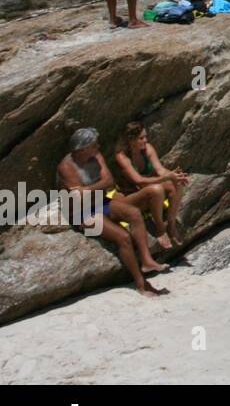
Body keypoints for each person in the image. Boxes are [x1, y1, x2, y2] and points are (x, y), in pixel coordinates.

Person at [56, 127, 169, 296]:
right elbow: (78, 198)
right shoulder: (66, 167)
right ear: (82, 149)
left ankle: (146, 260)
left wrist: (86, 189)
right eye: (94, 145)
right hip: (81, 213)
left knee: (133, 214)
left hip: (100, 201)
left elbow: (108, 181)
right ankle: (140, 283)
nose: (98, 147)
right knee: (122, 237)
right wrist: (91, 189)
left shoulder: (96, 156)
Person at [113, 122, 189, 249]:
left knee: (176, 184)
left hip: (149, 192)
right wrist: (166, 177)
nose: (145, 140)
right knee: (156, 189)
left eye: (145, 137)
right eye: (141, 138)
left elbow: (161, 170)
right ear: (131, 140)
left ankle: (171, 224)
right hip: (132, 198)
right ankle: (160, 228)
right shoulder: (122, 157)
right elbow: (138, 180)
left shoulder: (147, 149)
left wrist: (174, 176)